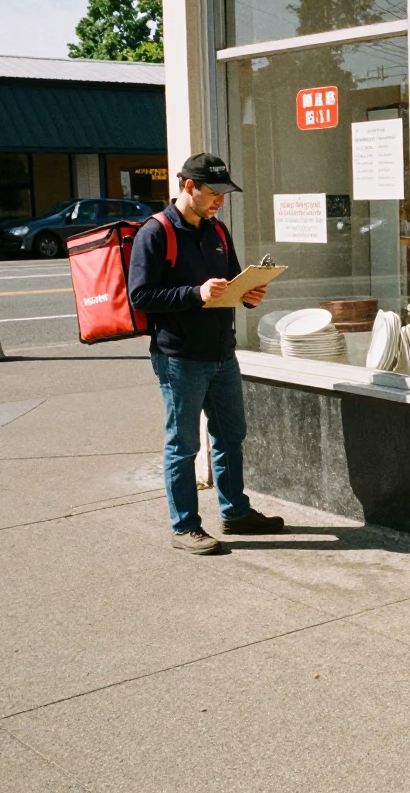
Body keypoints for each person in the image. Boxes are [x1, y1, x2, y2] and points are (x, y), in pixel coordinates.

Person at [129, 153, 284, 555]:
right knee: (183, 445)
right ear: (187, 187)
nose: (220, 202)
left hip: (221, 354)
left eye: (224, 194)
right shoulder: (156, 232)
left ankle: (236, 513)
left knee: (231, 436)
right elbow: (140, 296)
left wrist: (248, 295)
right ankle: (185, 527)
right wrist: (195, 294)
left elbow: (230, 282)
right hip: (179, 357)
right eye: (214, 193)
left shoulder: (217, 230)